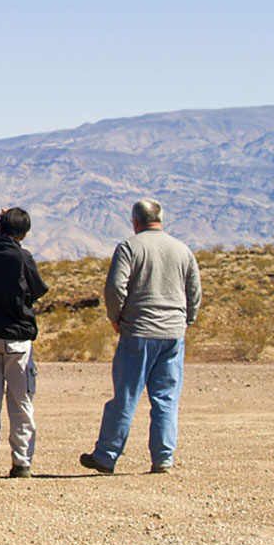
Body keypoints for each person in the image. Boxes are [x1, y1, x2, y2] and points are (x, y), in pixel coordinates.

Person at [80, 199, 202, 475]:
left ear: (135, 222)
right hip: (173, 333)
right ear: (161, 218)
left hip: (138, 331)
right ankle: (163, 458)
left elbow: (114, 287)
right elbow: (194, 291)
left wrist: (116, 317)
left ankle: (107, 455)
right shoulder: (182, 250)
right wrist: (186, 320)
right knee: (166, 398)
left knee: (126, 396)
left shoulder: (130, 248)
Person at [0, 207, 48, 479]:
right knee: (21, 401)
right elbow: (38, 289)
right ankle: (22, 461)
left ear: (1, 227)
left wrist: (0, 221)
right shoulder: (22, 257)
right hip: (18, 341)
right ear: (24, 234)